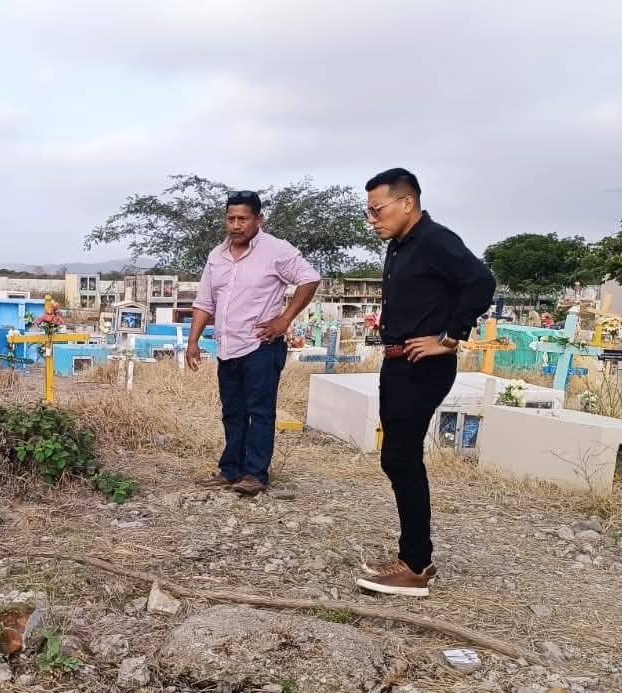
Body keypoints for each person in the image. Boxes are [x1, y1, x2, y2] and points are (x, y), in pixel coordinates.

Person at [355, 168, 495, 597]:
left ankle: (415, 565)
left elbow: (481, 281)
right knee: (397, 457)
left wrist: (449, 337)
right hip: (399, 362)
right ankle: (415, 558)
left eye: (377, 209)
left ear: (407, 202)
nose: (372, 219)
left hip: (422, 365)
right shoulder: (400, 245)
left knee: (401, 458)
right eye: (368, 211)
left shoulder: (435, 240)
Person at [187, 190, 322, 497]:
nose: (236, 225)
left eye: (243, 219)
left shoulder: (276, 250)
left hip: (261, 345)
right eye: (231, 218)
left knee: (260, 411)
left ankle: (255, 474)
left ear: (258, 219)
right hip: (227, 347)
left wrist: (284, 319)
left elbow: (310, 278)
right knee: (232, 411)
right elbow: (205, 301)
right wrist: (193, 341)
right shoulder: (216, 256)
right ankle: (230, 469)